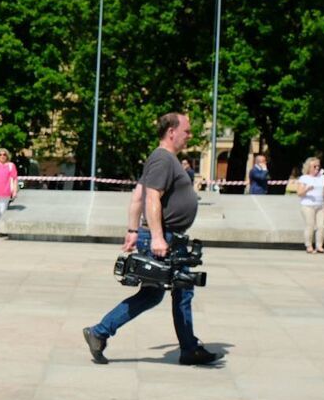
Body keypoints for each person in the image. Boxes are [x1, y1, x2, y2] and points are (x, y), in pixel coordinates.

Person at [83, 112, 221, 367]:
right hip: (165, 237)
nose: (189, 136)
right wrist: (156, 237)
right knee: (178, 290)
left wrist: (134, 231)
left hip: (167, 236)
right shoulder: (163, 159)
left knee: (163, 293)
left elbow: (137, 195)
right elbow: (151, 197)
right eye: (187, 131)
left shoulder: (164, 160)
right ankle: (102, 332)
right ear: (171, 131)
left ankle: (101, 332)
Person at [296, 156, 324, 254]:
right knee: (310, 225)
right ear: (309, 167)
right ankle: (309, 246)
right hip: (308, 205)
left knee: (321, 226)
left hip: (320, 206)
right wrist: (307, 189)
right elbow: (299, 193)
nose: (317, 168)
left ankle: (319, 246)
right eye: (314, 166)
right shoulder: (304, 178)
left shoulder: (322, 178)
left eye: (318, 166)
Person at [0, 147, 18, 238]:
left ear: (7, 156)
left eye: (4, 154)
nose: (2, 156)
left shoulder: (11, 165)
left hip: (6, 191)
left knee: (2, 211)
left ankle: (2, 229)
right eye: (0, 154)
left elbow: (14, 179)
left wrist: (15, 191)